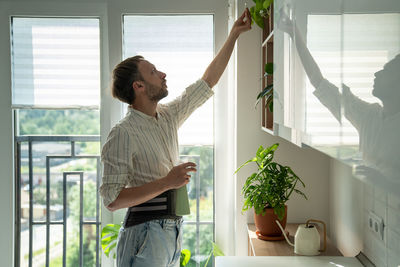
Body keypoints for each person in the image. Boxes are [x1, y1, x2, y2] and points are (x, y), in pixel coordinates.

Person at [100, 8, 252, 267]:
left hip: (170, 233)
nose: (162, 74)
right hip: (145, 233)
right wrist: (167, 181)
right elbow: (112, 200)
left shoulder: (167, 116)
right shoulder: (123, 133)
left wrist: (234, 35)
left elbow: (207, 82)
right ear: (138, 86)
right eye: (153, 72)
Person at [278, 11, 400, 189]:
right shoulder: (370, 116)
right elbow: (319, 83)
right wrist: (294, 34)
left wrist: (384, 182)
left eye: (386, 71)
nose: (376, 73)